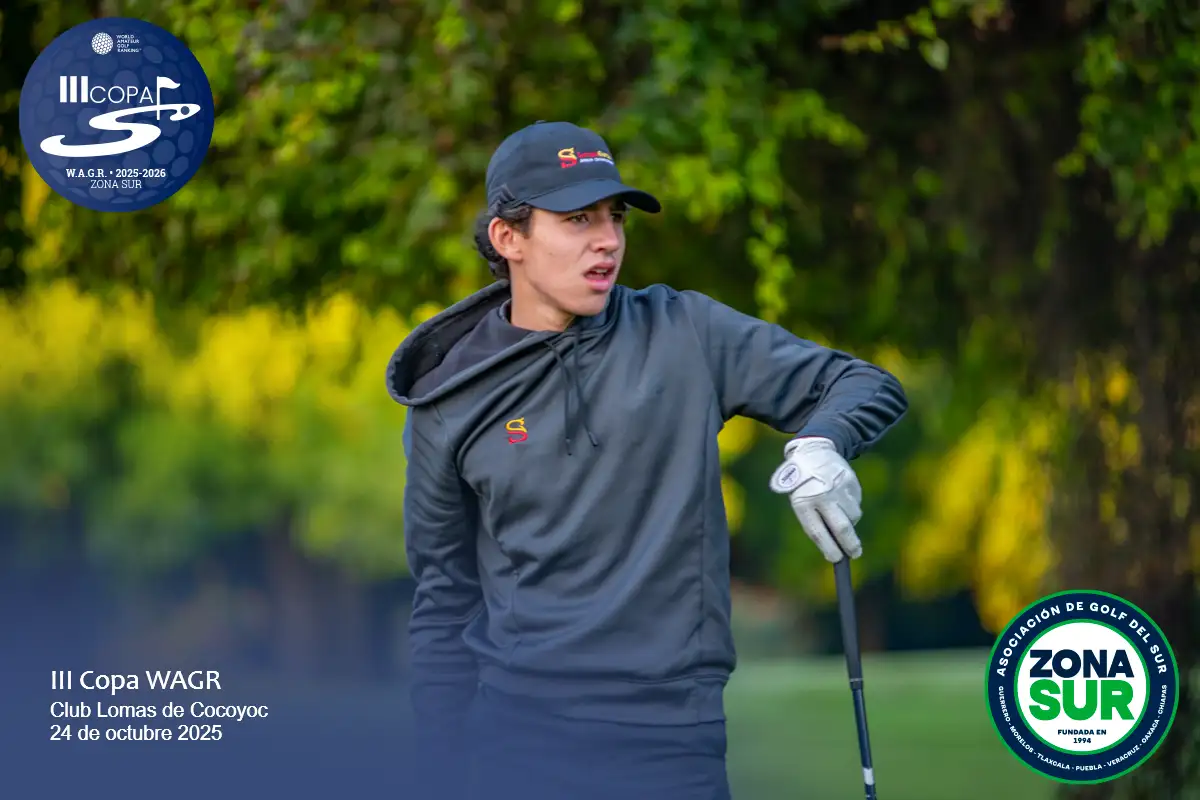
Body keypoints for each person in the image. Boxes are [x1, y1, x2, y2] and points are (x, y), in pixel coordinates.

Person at [386, 120, 908, 800]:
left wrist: (823, 442)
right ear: (508, 238)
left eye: (615, 216)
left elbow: (863, 384)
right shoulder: (450, 399)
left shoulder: (686, 332)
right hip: (518, 745)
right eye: (577, 219)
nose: (607, 239)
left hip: (674, 742)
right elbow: (444, 605)